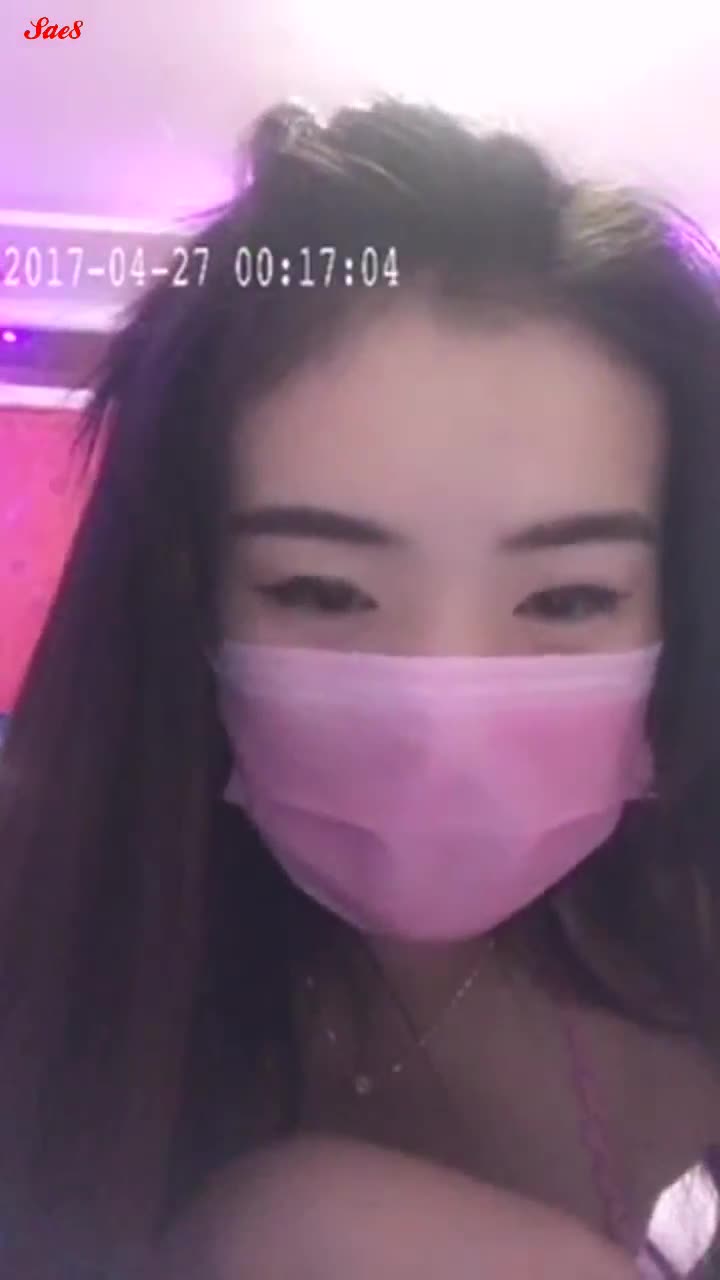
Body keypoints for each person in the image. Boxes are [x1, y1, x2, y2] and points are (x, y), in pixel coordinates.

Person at [1, 95, 720, 1279]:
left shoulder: (685, 941)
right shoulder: (46, 933)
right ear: (188, 600)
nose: (444, 710)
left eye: (566, 599)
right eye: (323, 590)